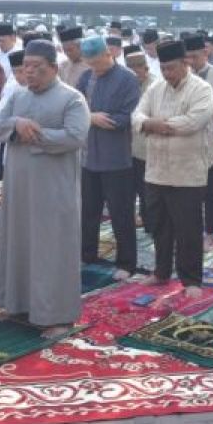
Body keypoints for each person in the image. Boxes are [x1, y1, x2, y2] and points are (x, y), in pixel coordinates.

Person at [0, 40, 90, 337]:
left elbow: (75, 137)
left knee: (52, 249)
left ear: (53, 68)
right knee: (18, 241)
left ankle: (57, 316)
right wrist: (17, 123)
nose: (30, 73)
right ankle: (17, 304)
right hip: (19, 187)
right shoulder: (17, 97)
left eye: (37, 68)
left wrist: (34, 134)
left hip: (53, 188)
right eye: (26, 67)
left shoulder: (72, 99)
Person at [132, 40, 213, 298]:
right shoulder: (156, 88)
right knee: (159, 225)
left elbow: (194, 122)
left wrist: (156, 125)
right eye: (163, 68)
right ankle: (161, 271)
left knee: (187, 228)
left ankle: (191, 279)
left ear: (185, 63)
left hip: (187, 172)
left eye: (171, 68)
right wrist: (149, 124)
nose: (167, 74)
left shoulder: (202, 90)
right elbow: (137, 116)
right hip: (156, 168)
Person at [76, 36, 142, 279]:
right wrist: (91, 118)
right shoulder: (85, 78)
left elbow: (129, 116)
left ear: (109, 54)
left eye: (98, 61)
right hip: (88, 157)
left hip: (117, 159)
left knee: (121, 213)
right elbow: (75, 110)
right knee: (88, 212)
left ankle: (126, 263)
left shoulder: (127, 79)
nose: (95, 67)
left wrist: (104, 120)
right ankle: (87, 255)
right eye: (90, 62)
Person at [185, 35, 213, 247]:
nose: (191, 61)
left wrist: (197, 115)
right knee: (189, 191)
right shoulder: (184, 74)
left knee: (211, 191)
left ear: (205, 53)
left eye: (194, 56)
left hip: (210, 140)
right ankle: (190, 231)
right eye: (188, 57)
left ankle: (210, 232)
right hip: (187, 142)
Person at [124, 44, 156, 227]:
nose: (135, 73)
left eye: (138, 68)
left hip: (147, 147)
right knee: (129, 188)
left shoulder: (155, 85)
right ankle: (134, 218)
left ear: (146, 68)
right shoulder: (125, 84)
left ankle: (150, 221)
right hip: (127, 146)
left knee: (147, 189)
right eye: (131, 69)